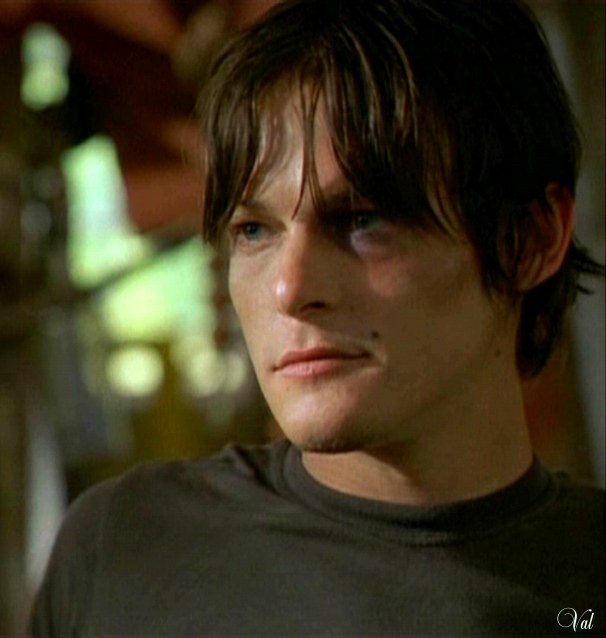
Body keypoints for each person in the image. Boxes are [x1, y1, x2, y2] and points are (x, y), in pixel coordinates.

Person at [30, 1, 604, 636]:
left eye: (362, 220)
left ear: (529, 241)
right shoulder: (124, 552)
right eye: (254, 230)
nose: (289, 287)